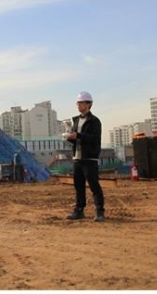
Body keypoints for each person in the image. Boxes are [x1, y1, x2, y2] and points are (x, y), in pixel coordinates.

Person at [64, 91, 105, 222]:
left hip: (89, 159)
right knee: (79, 186)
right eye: (78, 103)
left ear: (88, 104)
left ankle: (99, 212)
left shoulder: (94, 121)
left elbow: (94, 138)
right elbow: (77, 138)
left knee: (94, 186)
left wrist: (79, 136)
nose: (78, 105)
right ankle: (79, 210)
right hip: (77, 158)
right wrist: (70, 138)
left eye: (81, 102)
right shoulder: (75, 120)